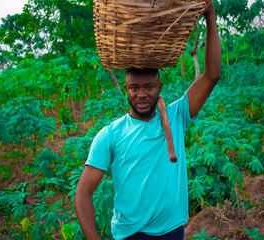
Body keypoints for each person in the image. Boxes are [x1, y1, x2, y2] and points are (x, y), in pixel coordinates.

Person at [74, 0, 221, 239]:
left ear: (160, 87)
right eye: (134, 88)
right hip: (130, 234)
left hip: (171, 232)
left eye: (149, 87)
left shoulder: (177, 116)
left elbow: (212, 75)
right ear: (125, 89)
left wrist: (210, 17)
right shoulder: (111, 134)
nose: (141, 94)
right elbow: (83, 192)